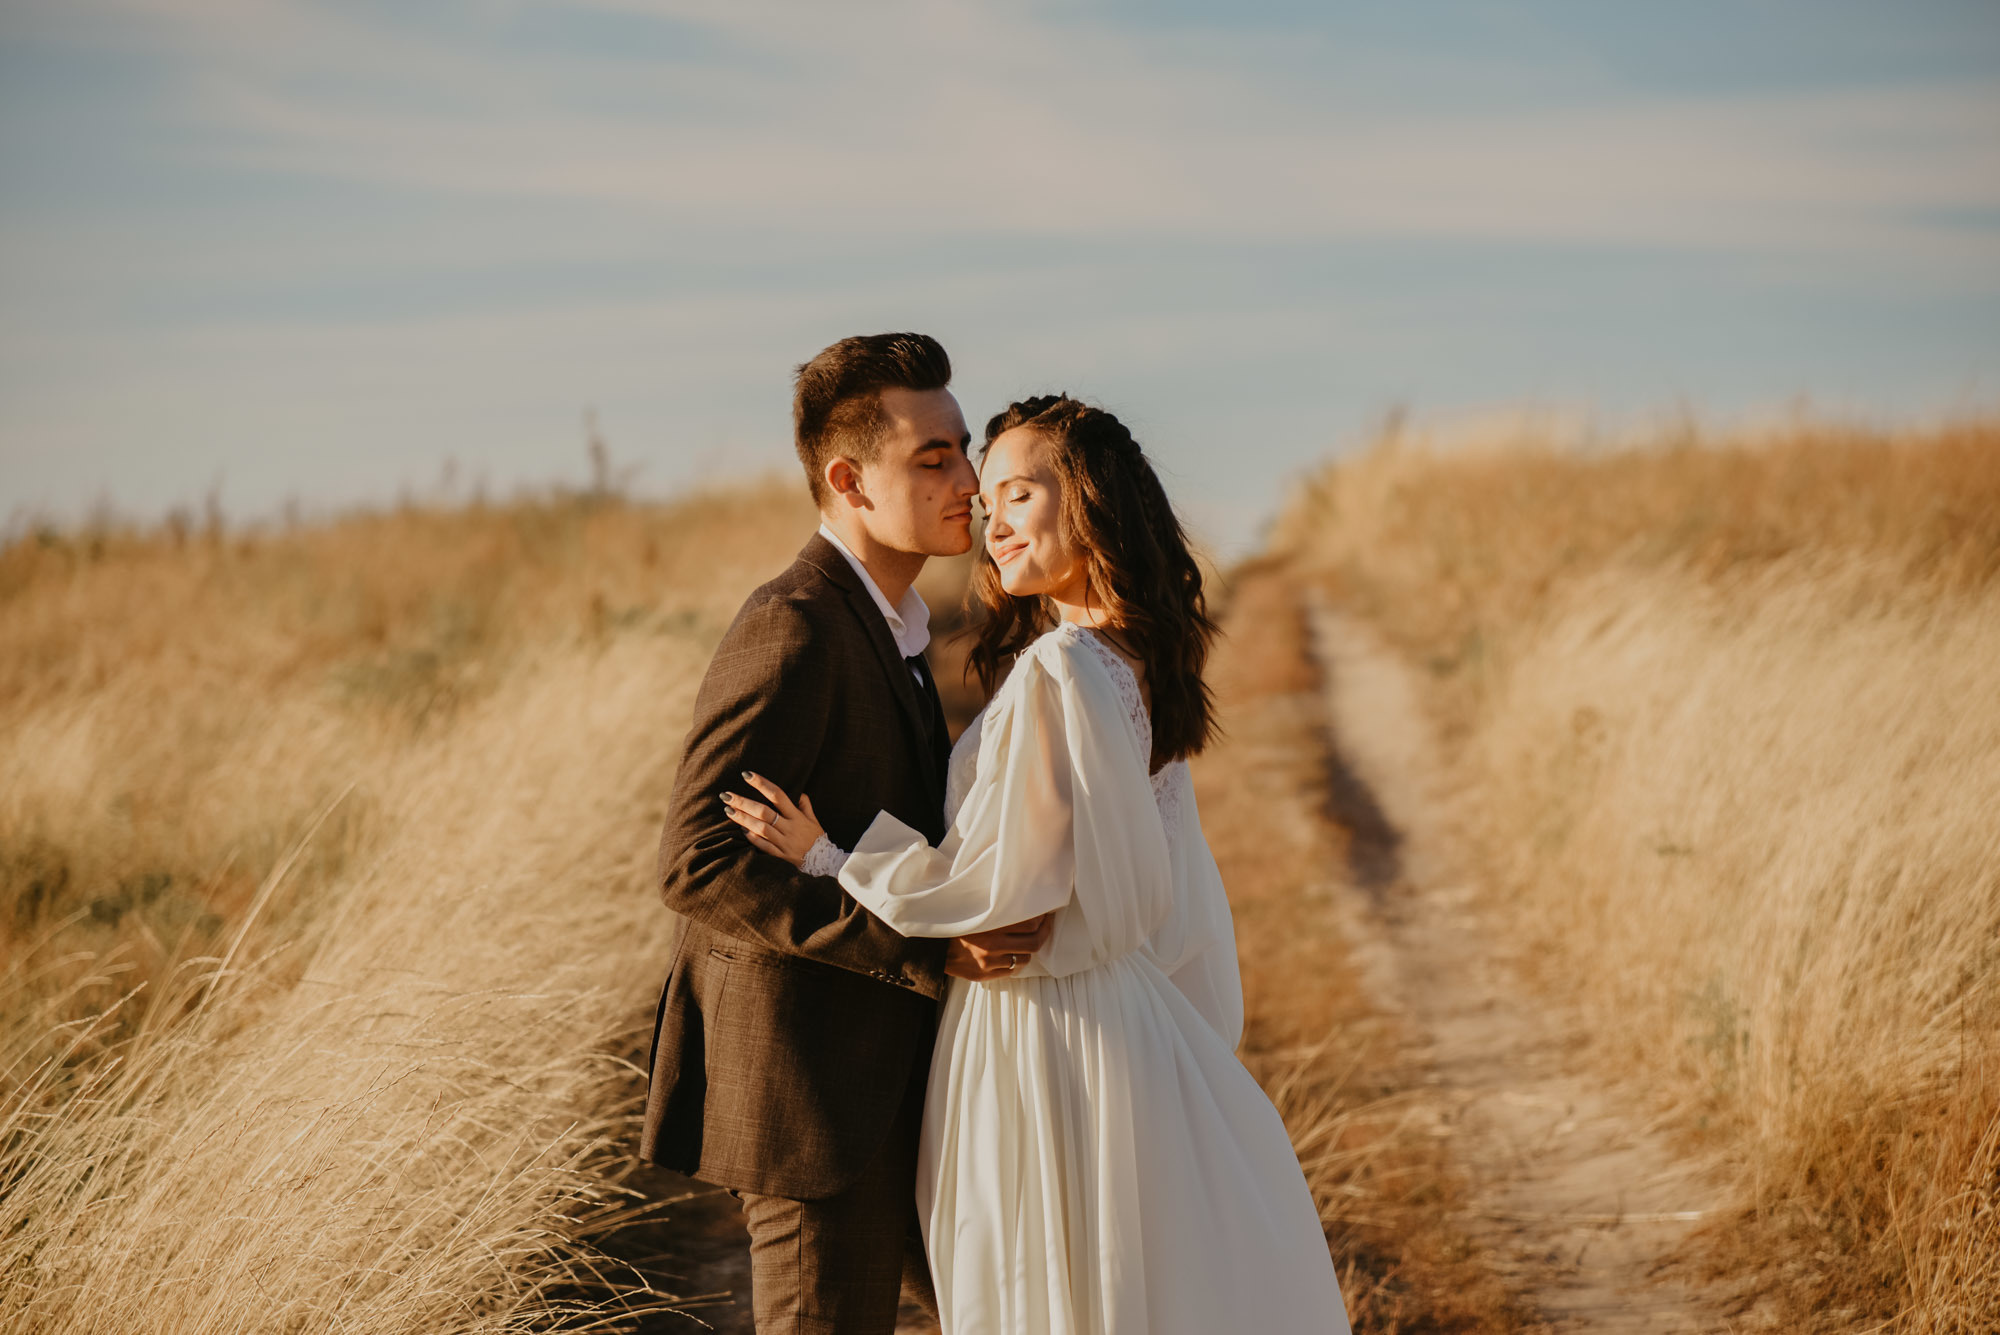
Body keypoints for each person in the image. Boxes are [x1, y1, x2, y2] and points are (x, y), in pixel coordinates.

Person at [723, 395, 1353, 1334]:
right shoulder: (1135, 662)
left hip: (1040, 1030)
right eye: (994, 497)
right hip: (1124, 1022)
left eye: (1021, 492)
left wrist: (831, 855)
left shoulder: (1064, 667)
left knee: (1050, 1290)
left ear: (1090, 505)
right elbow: (1180, 901)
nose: (992, 515)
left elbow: (999, 883)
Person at [639, 333, 1057, 1334]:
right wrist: (917, 944)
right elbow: (696, 860)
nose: (969, 481)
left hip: (879, 1081)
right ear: (847, 480)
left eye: (963, 448)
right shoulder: (795, 627)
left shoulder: (897, 624)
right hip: (807, 1097)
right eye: (933, 460)